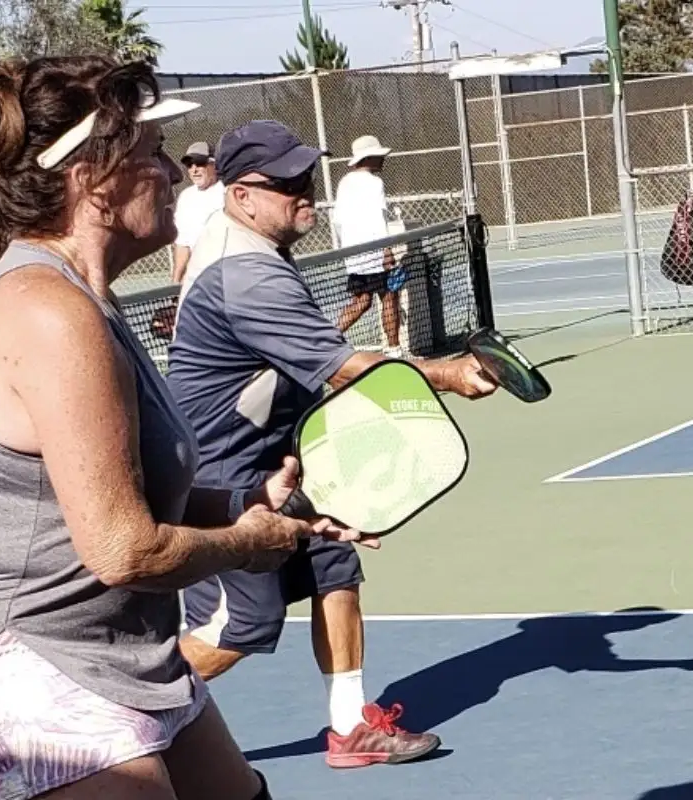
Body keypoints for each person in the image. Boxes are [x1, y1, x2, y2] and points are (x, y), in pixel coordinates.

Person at [0, 57, 350, 800]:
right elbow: (124, 549)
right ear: (92, 179)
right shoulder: (49, 314)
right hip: (28, 659)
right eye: (151, 154)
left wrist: (242, 503)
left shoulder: (88, 299)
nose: (173, 172)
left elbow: (116, 492)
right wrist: (248, 546)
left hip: (115, 648)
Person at [166, 119, 496, 770]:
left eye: (305, 177)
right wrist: (447, 375)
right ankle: (102, 714)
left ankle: (351, 729)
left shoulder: (256, 245)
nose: (303, 191)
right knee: (241, 626)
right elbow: (341, 366)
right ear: (241, 195)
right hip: (223, 472)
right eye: (285, 182)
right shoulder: (245, 273)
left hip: (283, 449)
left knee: (335, 569)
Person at [332, 134, 402, 353]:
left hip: (353, 253)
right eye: (378, 156)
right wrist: (386, 250)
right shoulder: (375, 183)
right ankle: (394, 349)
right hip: (374, 252)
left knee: (362, 301)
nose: (383, 160)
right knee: (389, 297)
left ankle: (327, 339)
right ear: (368, 158)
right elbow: (377, 219)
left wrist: (347, 250)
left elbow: (338, 220)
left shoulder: (344, 182)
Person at [171, 141, 225, 285]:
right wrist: (176, 282)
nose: (194, 170)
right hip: (199, 277)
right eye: (189, 165)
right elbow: (183, 243)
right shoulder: (186, 197)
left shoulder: (228, 192)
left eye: (199, 163)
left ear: (214, 164)